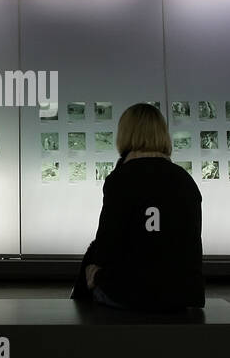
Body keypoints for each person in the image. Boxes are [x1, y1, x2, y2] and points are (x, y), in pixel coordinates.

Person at [72, 102, 204, 311]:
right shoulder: (185, 180)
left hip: (132, 294)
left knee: (92, 260)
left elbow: (107, 245)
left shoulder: (121, 179)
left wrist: (96, 273)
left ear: (125, 133)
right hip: (183, 294)